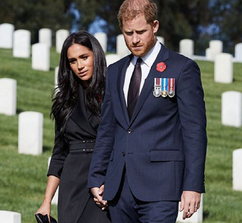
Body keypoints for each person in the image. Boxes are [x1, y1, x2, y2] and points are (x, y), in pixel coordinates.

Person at [88, 0, 207, 222]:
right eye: (128, 32)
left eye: (140, 31)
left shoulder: (181, 69)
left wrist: (193, 185)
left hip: (161, 188)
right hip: (118, 188)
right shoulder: (115, 71)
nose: (134, 39)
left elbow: (194, 131)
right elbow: (107, 129)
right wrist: (96, 177)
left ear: (155, 26)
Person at [36, 31, 111, 223]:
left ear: (96, 55)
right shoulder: (64, 101)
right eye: (72, 61)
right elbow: (60, 153)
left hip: (105, 176)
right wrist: (46, 202)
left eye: (84, 57)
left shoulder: (114, 92)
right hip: (73, 183)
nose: (79, 66)